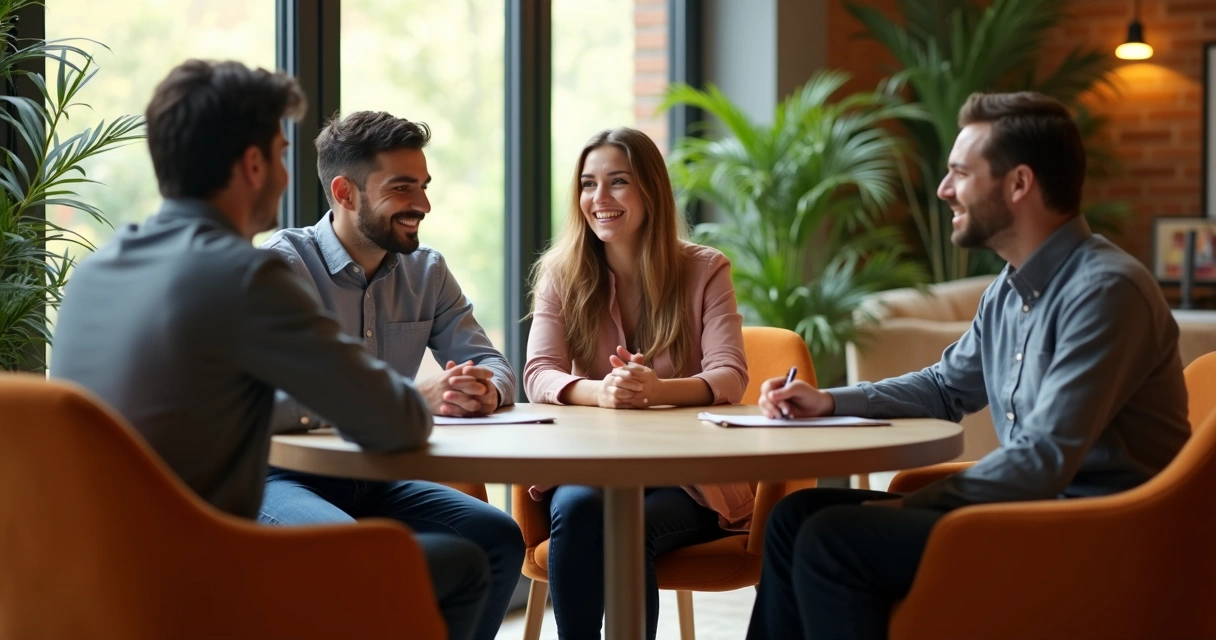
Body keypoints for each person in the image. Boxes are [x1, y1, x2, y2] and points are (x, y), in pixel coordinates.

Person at [50, 60, 491, 640]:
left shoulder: (94, 273)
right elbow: (400, 423)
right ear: (254, 165)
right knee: (465, 565)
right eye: (283, 155)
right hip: (209, 576)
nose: (287, 175)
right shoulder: (247, 274)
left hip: (89, 579)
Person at [746, 92, 1191, 640]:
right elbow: (943, 387)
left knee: (831, 540)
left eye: (960, 172)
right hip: (1033, 512)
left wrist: (917, 504)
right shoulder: (1010, 288)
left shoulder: (1105, 291)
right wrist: (832, 401)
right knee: (796, 519)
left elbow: (1043, 459)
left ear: (1018, 184)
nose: (943, 190)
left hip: (1094, 536)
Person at [257, 110, 524, 640]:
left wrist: (482, 390)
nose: (422, 204)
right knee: (361, 559)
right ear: (345, 192)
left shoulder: (428, 270)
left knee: (496, 535)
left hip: (376, 477)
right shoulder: (281, 268)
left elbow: (495, 365)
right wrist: (406, 397)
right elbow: (264, 403)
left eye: (423, 186)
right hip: (280, 478)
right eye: (402, 187)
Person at [523, 127, 752, 640]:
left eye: (617, 182)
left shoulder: (705, 269)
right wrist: (601, 391)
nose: (599, 199)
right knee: (580, 508)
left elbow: (731, 375)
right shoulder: (561, 273)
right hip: (593, 467)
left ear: (651, 189)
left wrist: (656, 391)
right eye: (587, 184)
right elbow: (538, 373)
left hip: (689, 477)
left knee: (627, 529)